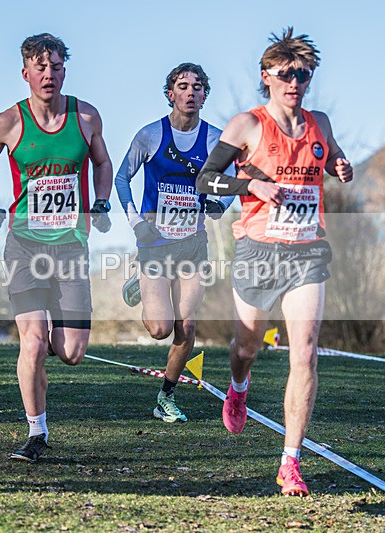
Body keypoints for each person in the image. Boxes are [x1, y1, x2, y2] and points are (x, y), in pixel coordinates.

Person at [195, 28, 353, 496]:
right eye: (285, 74)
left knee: (304, 352)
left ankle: (290, 463)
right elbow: (206, 180)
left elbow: (334, 159)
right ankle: (238, 386)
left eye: (303, 74)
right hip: (258, 251)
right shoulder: (247, 125)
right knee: (246, 346)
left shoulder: (319, 121)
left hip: (307, 251)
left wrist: (342, 167)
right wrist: (250, 187)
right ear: (267, 77)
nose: (294, 82)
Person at [0, 33, 113, 463]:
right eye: (40, 67)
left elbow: (102, 163)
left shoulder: (85, 117)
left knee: (70, 352)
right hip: (24, 246)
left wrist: (100, 201)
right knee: (31, 344)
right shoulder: (8, 122)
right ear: (25, 72)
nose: (49, 75)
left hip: (70, 248)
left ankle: (44, 345)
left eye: (56, 67)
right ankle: (36, 432)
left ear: (65, 70)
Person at [115, 63, 234, 423]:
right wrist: (136, 223)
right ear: (170, 93)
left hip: (193, 243)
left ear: (205, 96)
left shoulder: (215, 139)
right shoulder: (150, 135)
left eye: (198, 87)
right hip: (155, 244)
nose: (190, 93)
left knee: (187, 327)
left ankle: (165, 396)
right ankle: (140, 281)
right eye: (182, 86)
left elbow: (233, 182)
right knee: (160, 329)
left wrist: (220, 203)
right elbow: (122, 179)